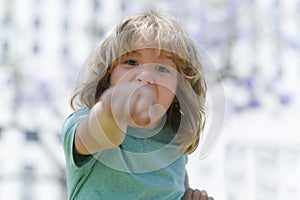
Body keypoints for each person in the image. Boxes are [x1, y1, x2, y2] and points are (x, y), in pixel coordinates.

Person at [62, 11, 214, 200]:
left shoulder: (174, 142)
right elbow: (101, 133)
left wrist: (187, 195)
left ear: (179, 91)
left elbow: (173, 186)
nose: (145, 76)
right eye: (131, 62)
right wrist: (112, 109)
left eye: (161, 68)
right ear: (108, 77)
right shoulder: (85, 122)